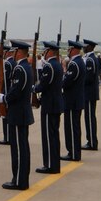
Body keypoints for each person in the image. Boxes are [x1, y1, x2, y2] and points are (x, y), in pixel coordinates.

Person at [0, 40, 34, 190]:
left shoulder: (20, 68)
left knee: (19, 149)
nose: (12, 54)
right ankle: (20, 178)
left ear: (19, 52)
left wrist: (4, 98)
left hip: (18, 113)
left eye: (14, 51)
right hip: (22, 112)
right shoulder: (26, 67)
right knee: (22, 147)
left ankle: (19, 180)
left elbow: (16, 90)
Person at [33, 41, 64, 175]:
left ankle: (50, 165)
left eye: (45, 51)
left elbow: (43, 85)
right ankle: (54, 164)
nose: (44, 53)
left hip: (49, 105)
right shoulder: (57, 65)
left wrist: (33, 88)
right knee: (54, 135)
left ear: (50, 51)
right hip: (55, 103)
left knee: (48, 136)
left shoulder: (49, 66)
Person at [62, 40, 86, 162]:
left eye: (69, 49)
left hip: (72, 101)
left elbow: (67, 82)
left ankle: (73, 153)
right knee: (74, 127)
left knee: (72, 128)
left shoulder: (74, 64)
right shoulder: (78, 62)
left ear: (73, 50)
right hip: (75, 100)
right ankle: (74, 152)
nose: (68, 51)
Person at [82, 39, 100, 151]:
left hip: (89, 93)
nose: (83, 47)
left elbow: (88, 78)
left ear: (90, 47)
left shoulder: (90, 60)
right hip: (89, 92)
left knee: (89, 118)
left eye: (85, 46)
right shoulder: (90, 59)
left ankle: (92, 142)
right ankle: (90, 140)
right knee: (89, 117)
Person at [0, 46, 16, 145]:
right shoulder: (14, 62)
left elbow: (6, 79)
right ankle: (9, 136)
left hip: (7, 91)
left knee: (6, 116)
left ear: (8, 53)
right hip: (10, 91)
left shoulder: (8, 63)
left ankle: (7, 137)